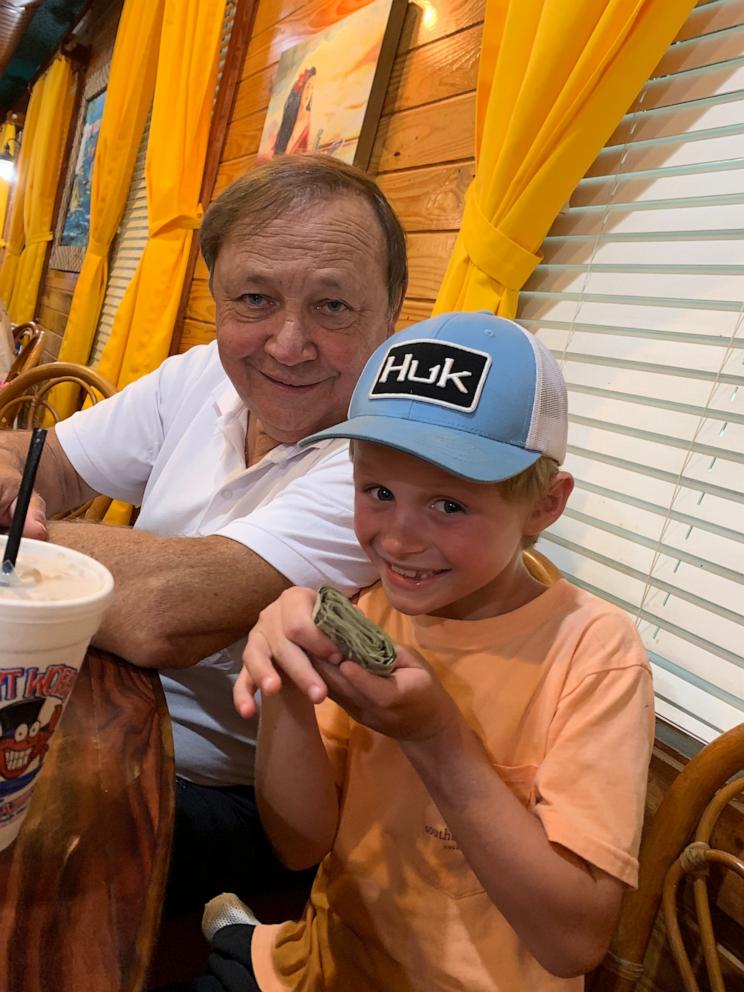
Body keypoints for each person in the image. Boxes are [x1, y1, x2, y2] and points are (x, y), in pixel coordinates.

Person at [187, 311, 655, 991]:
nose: (399, 540)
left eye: (448, 506)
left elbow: (573, 939)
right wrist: (288, 682)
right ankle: (241, 934)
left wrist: (436, 738)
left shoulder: (593, 652)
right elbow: (299, 846)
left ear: (544, 506)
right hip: (317, 965)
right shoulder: (371, 610)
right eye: (377, 492)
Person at [0, 154, 407, 913]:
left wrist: (22, 535)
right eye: (255, 299)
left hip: (236, 802)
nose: (288, 344)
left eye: (332, 307)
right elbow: (46, 463)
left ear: (391, 312)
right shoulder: (202, 376)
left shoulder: (393, 468)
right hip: (94, 719)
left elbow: (163, 614)